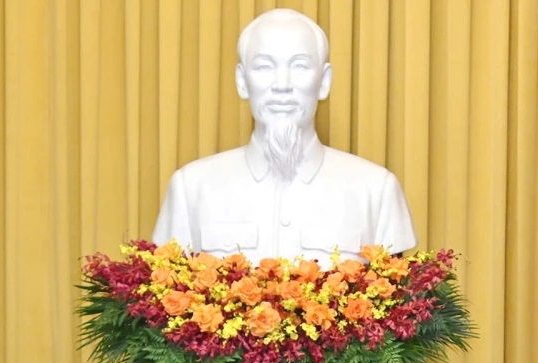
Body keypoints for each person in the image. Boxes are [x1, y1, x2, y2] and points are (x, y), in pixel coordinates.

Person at [151, 8, 416, 264]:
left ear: (324, 82)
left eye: (299, 66)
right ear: (242, 81)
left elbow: (396, 286)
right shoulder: (192, 188)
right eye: (264, 67)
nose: (282, 85)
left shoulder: (376, 190)